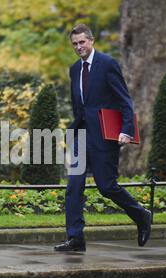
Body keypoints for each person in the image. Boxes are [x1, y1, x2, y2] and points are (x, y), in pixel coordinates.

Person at [54, 24, 152, 252]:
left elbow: (124, 100)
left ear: (91, 41)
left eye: (82, 42)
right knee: (73, 186)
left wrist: (126, 130)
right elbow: (79, 105)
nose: (79, 47)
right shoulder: (73, 70)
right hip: (81, 136)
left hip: (105, 137)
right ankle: (75, 238)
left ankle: (141, 215)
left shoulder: (108, 64)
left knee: (106, 186)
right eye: (75, 44)